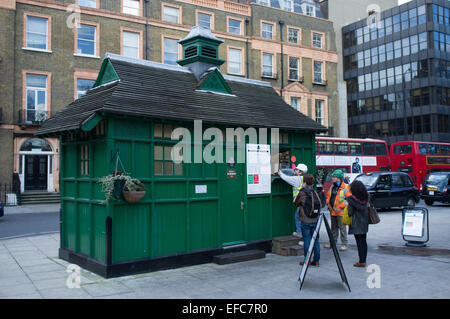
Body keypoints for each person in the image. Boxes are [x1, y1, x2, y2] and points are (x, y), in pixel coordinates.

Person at [294, 174, 322, 267]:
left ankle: (307, 260)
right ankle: (316, 260)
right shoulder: (314, 192)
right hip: (315, 220)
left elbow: (296, 203)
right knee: (316, 240)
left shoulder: (302, 193)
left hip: (305, 220)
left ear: (304, 182)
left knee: (307, 240)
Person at [278, 163, 308, 240]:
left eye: (297, 169)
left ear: (300, 172)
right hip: (305, 202)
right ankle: (301, 234)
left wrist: (279, 172)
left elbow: (285, 178)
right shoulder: (304, 178)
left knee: (298, 218)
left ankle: (300, 234)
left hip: (301, 203)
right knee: (301, 218)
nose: (295, 170)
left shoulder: (296, 179)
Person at [325, 169, 352, 251]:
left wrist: (341, 206)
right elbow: (328, 196)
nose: (332, 178)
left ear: (339, 178)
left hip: (341, 212)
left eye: (334, 177)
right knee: (333, 229)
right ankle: (332, 243)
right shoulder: (332, 186)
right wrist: (328, 205)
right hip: (333, 211)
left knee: (342, 229)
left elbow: (349, 199)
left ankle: (344, 244)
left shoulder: (346, 187)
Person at [347, 180, 370, 267]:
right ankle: (363, 259)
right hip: (365, 221)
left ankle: (361, 261)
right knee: (364, 241)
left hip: (356, 223)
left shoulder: (351, 199)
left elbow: (350, 212)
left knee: (359, 242)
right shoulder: (366, 197)